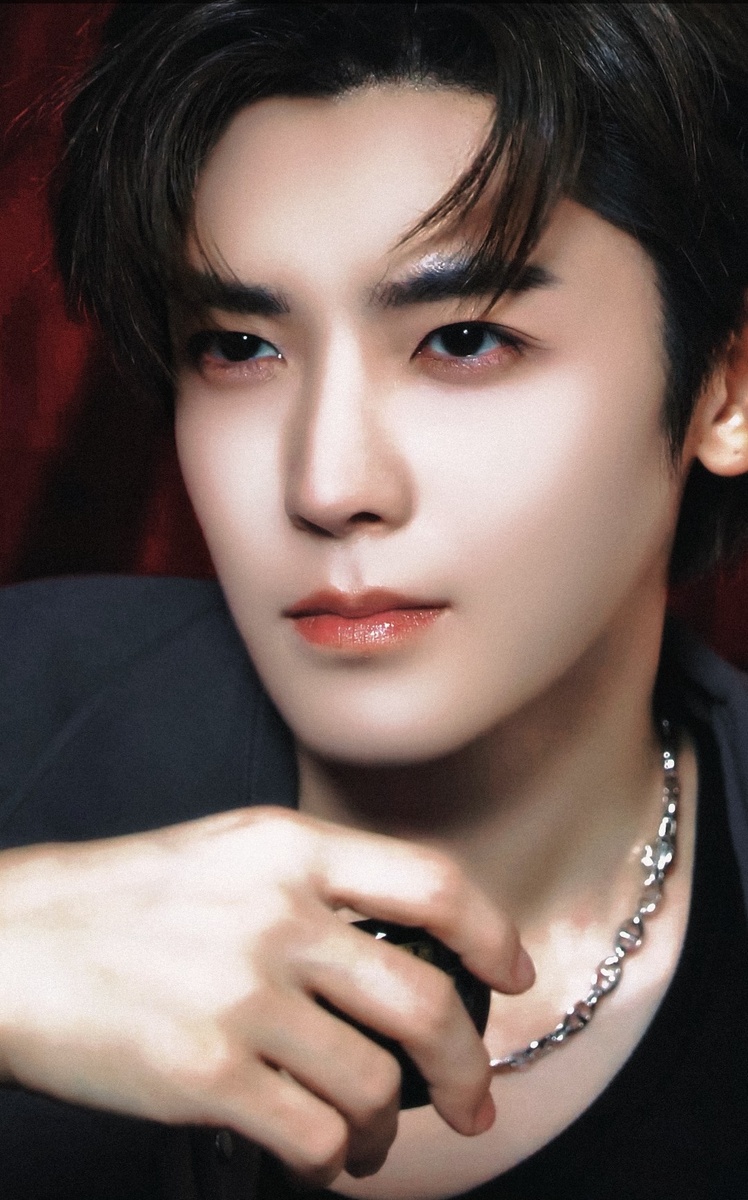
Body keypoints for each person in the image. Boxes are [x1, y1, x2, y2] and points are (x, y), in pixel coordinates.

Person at [2, 2, 748, 1196]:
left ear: (725, 388)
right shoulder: (23, 705)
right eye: (238, 347)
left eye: (464, 340)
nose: (326, 484)